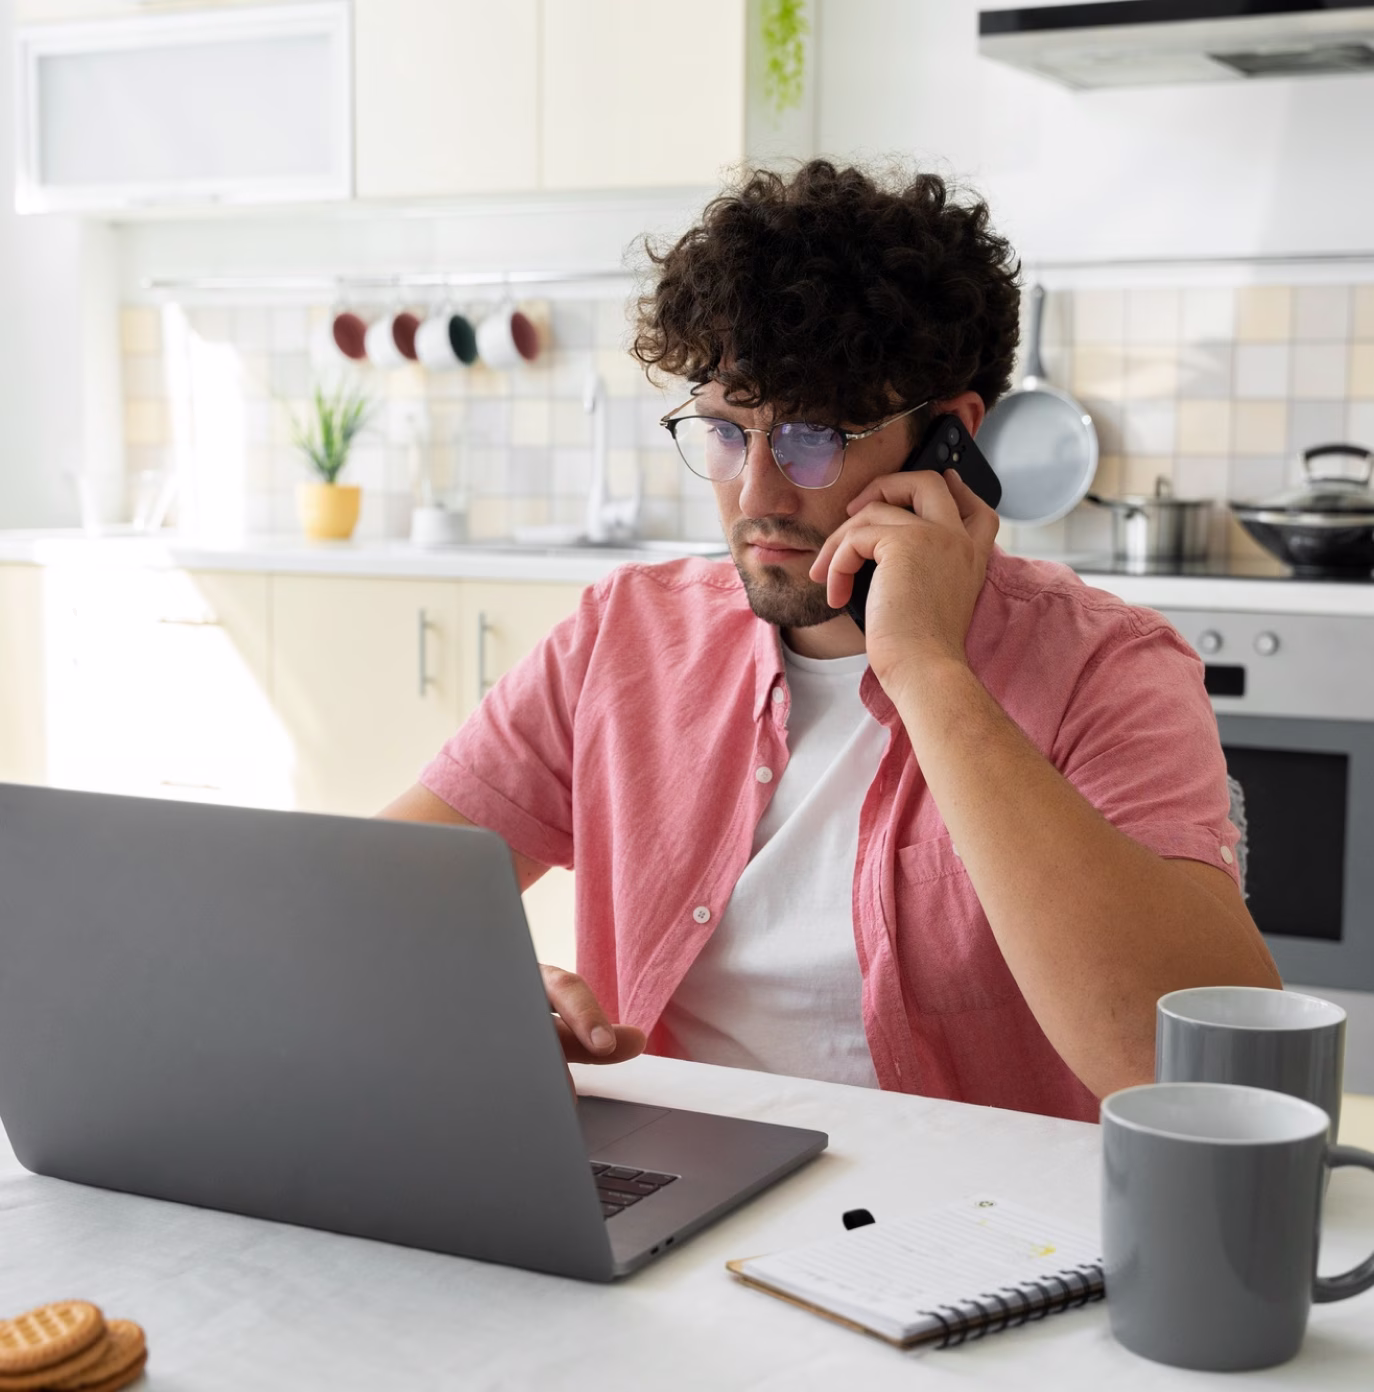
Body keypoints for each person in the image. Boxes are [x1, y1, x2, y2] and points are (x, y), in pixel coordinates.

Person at [381, 161, 1279, 1122]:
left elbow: (1203, 1076)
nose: (757, 495)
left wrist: (926, 667)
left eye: (811, 436)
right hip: (674, 1202)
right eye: (727, 432)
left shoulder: (1107, 667)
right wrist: (483, 991)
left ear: (951, 439)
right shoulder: (627, 636)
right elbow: (355, 903)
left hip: (979, 1236)